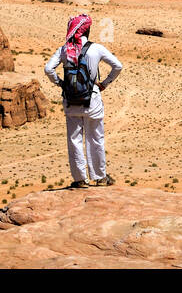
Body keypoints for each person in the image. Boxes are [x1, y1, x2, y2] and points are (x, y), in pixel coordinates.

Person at [44, 14, 123, 189]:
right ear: (87, 29)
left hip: (71, 100)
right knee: (95, 138)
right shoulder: (97, 49)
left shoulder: (64, 50)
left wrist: (61, 84)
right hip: (92, 99)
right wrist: (104, 84)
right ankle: (100, 177)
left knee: (74, 139)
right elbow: (118, 66)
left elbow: (48, 69)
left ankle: (80, 179)